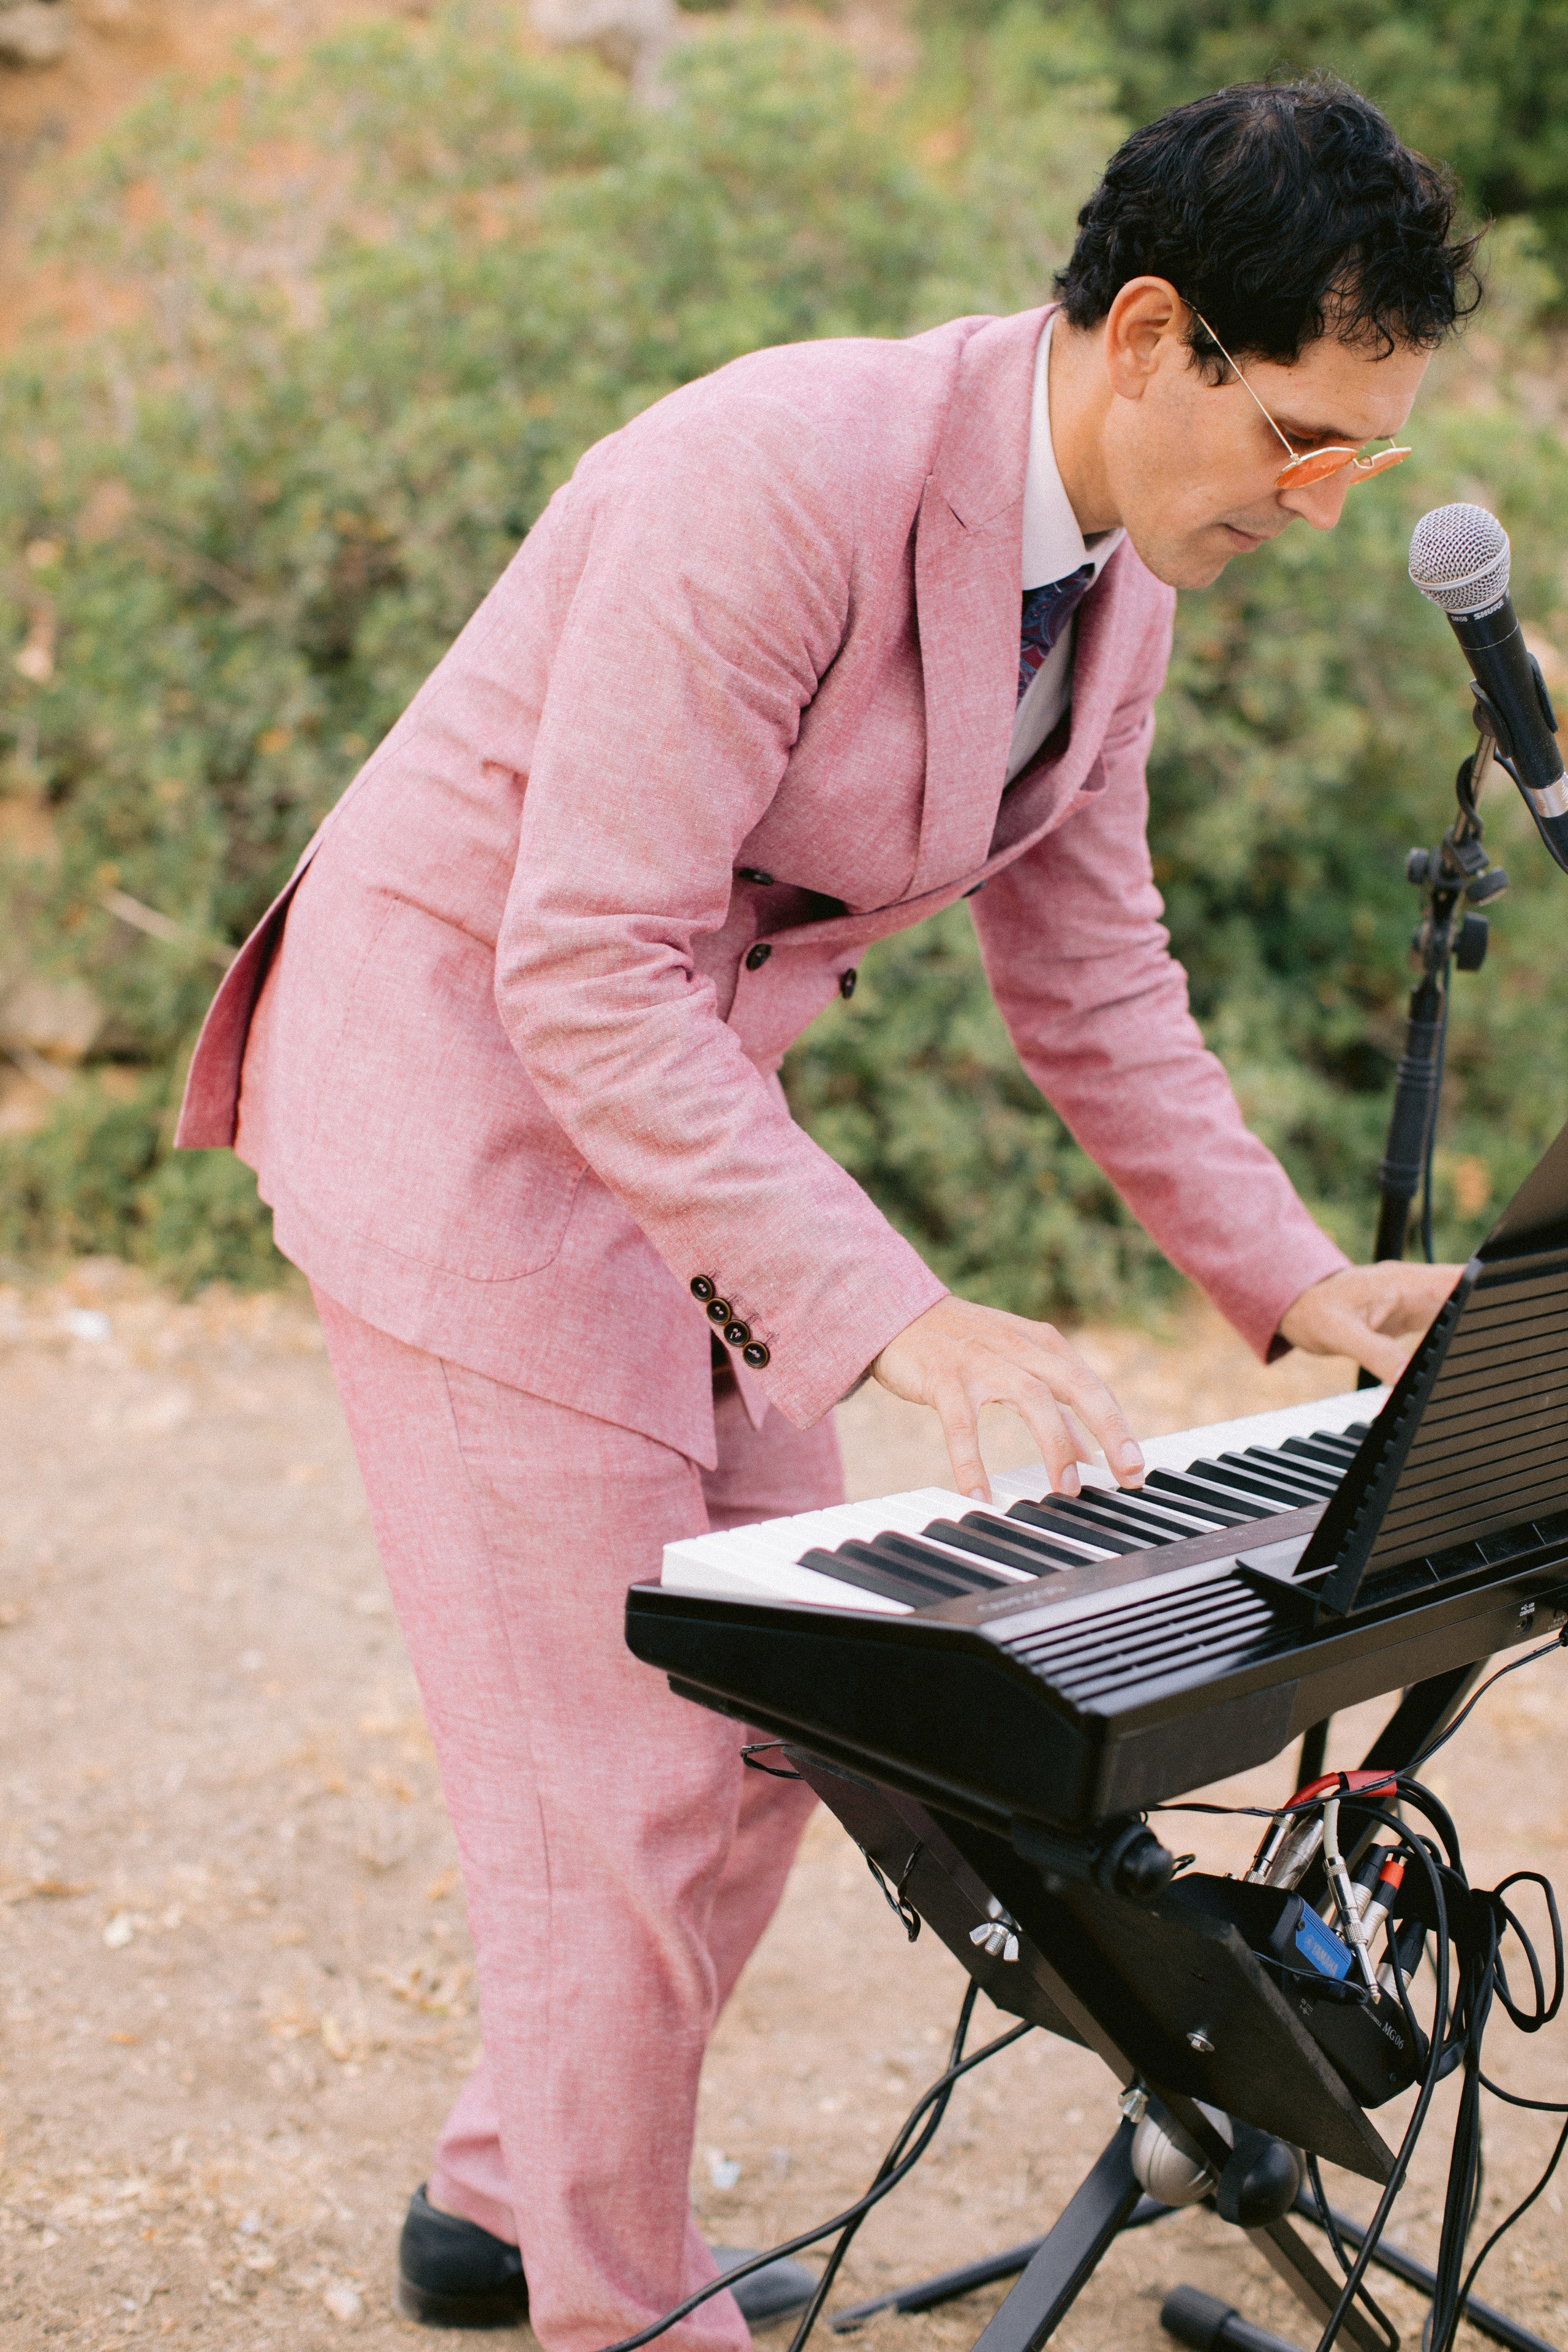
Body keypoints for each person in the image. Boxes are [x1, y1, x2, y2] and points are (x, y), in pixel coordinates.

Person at [176, 74, 1476, 2349]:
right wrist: (902, 1321)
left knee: (799, 1711)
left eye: (1363, 456)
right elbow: (576, 963)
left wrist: (1285, 1273)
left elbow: (1087, 972)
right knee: (628, 1781)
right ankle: (616, 2308)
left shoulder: (1124, 571)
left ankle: (500, 2202)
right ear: (1152, 332)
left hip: (682, 1132)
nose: (1324, 500)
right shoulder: (767, 474)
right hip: (466, 1099)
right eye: (1302, 438)